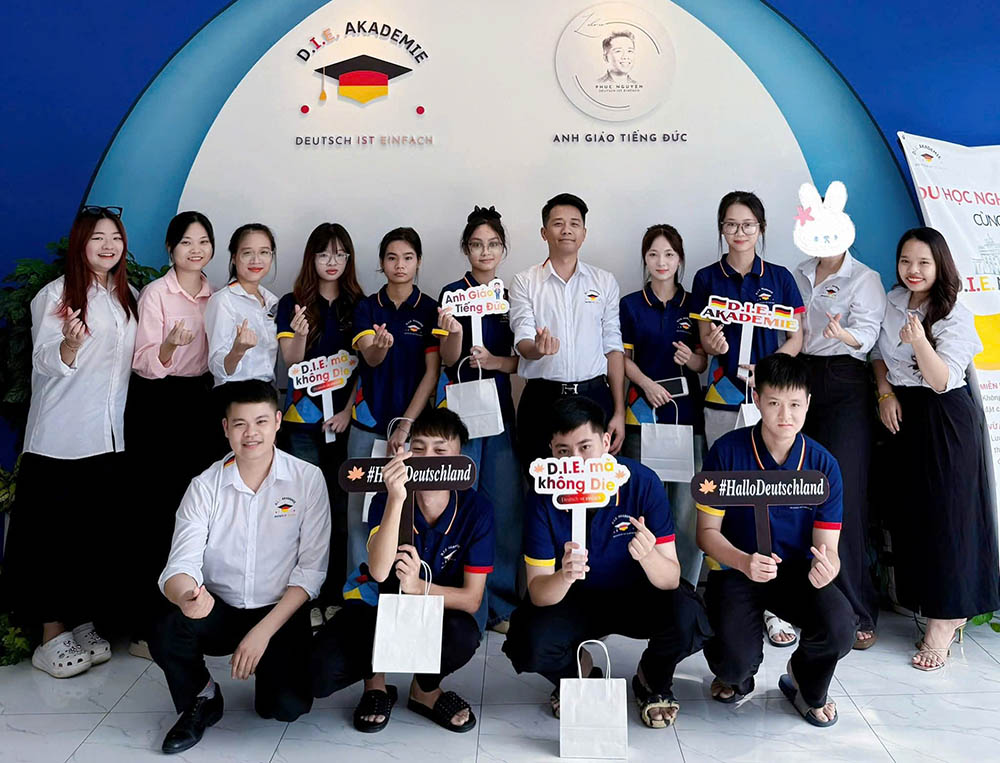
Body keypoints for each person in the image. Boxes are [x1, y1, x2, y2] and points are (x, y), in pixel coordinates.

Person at [502, 396, 709, 729]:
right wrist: (564, 575)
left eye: (585, 447)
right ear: (551, 452)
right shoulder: (542, 496)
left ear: (607, 441)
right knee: (528, 642)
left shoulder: (641, 482)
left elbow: (671, 577)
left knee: (689, 618)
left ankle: (652, 677)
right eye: (563, 451)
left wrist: (648, 555)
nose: (576, 461)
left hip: (636, 593)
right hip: (573, 600)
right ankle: (578, 672)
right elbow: (539, 592)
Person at [150, 380, 330, 754]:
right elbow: (180, 563)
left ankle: (271, 673)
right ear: (226, 428)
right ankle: (202, 696)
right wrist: (187, 597)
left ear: (277, 422)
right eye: (240, 424)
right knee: (167, 628)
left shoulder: (307, 479)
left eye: (261, 422)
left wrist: (262, 632)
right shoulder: (205, 486)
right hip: (221, 609)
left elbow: (311, 571)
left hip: (279, 612)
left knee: (285, 708)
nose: (251, 434)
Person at [7, 205, 138, 677]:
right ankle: (50, 634)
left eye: (115, 237)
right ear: (80, 243)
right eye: (97, 237)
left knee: (90, 537)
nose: (108, 245)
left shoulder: (127, 297)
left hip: (108, 438)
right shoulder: (57, 295)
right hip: (60, 439)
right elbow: (44, 359)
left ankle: (80, 622)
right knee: (52, 539)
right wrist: (68, 344)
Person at [311, 408, 493, 734]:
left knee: (463, 635)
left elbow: (471, 600)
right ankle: (376, 686)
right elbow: (379, 571)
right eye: (418, 448)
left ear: (459, 457)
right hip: (375, 603)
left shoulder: (476, 509)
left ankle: (425, 690)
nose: (427, 459)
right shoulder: (388, 496)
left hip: (436, 608)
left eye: (440, 451)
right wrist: (397, 499)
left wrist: (419, 587)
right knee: (318, 674)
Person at [696, 353, 855, 727]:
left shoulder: (823, 465)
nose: (786, 415)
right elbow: (706, 534)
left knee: (840, 626)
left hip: (796, 574)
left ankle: (804, 679)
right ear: (756, 399)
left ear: (808, 403)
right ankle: (737, 675)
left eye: (795, 404)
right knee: (733, 665)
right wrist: (743, 561)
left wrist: (828, 568)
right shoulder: (727, 452)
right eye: (774, 403)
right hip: (737, 570)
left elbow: (828, 548)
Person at [872, 227, 1000, 671]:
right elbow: (877, 355)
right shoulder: (891, 301)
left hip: (946, 418)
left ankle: (946, 622)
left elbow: (943, 379)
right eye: (906, 260)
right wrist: (885, 393)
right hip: (905, 415)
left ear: (940, 265)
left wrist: (920, 341)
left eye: (923, 262)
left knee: (950, 516)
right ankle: (930, 604)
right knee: (916, 515)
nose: (913, 270)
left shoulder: (954, 313)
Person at [691, 190, 804, 647]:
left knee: (768, 492)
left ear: (761, 228)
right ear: (721, 228)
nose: (739, 232)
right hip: (722, 394)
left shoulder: (779, 278)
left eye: (747, 224)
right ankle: (724, 590)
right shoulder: (706, 277)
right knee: (724, 489)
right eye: (731, 224)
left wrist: (772, 371)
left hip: (769, 399)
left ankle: (774, 604)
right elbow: (704, 338)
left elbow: (797, 337)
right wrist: (713, 345)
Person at [126, 211, 217, 658]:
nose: (195, 250)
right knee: (159, 511)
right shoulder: (156, 294)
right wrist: (169, 345)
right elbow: (143, 361)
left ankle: (193, 619)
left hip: (204, 401)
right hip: (160, 403)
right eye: (186, 242)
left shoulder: (218, 295)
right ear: (170, 248)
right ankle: (148, 630)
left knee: (199, 510)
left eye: (203, 242)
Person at [793, 215, 886, 650]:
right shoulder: (797, 273)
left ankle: (857, 608)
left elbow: (867, 336)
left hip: (844, 380)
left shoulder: (864, 278)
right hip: (800, 378)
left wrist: (844, 334)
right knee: (798, 490)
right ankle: (806, 604)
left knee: (842, 495)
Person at [437, 205, 523, 631]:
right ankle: (459, 598)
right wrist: (454, 335)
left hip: (500, 410)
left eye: (492, 244)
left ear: (503, 249)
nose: (485, 252)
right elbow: (446, 359)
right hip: (460, 411)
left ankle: (500, 603)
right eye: (476, 245)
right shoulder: (451, 294)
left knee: (503, 504)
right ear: (466, 249)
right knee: (459, 501)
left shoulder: (514, 295)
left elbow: (522, 362)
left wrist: (494, 361)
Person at [277, 222, 364, 603]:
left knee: (344, 509)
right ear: (311, 257)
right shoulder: (292, 302)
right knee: (305, 509)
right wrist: (299, 333)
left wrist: (347, 411)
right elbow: (291, 362)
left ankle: (337, 597)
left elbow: (366, 368)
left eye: (340, 254)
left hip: (347, 423)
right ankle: (305, 598)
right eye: (325, 253)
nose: (333, 261)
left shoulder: (360, 304)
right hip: (302, 422)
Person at [346, 227, 441, 574]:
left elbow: (432, 373)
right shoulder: (367, 307)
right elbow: (369, 359)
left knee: (413, 509)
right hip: (367, 422)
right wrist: (380, 348)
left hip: (414, 430)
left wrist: (406, 425)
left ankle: (405, 584)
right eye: (392, 258)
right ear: (382, 263)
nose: (400, 265)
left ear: (418, 262)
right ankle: (359, 589)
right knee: (360, 510)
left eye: (408, 258)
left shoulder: (429, 309)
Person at [509, 193, 626, 473]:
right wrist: (538, 349)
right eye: (558, 223)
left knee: (596, 486)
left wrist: (619, 411)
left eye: (574, 224)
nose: (566, 230)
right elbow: (522, 341)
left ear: (584, 233)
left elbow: (613, 348)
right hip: (542, 399)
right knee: (542, 486)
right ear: (544, 232)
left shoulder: (604, 281)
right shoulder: (525, 282)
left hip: (595, 396)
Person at [205, 223, 279, 388]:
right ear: (234, 257)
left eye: (264, 252)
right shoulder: (223, 300)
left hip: (267, 392)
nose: (256, 260)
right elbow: (216, 366)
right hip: (235, 393)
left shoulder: (272, 301)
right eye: (247, 253)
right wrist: (237, 351)